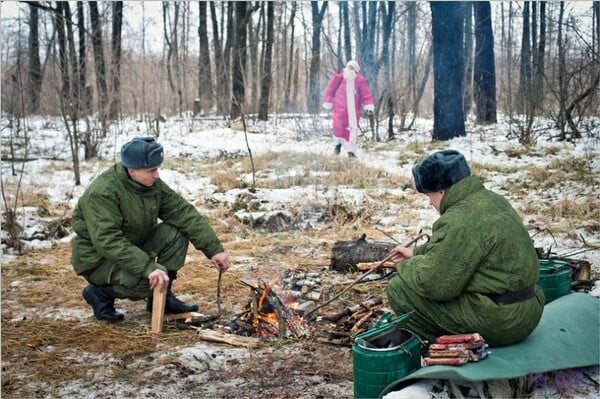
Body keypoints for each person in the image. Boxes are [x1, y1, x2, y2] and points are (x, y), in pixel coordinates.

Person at [386, 149, 544, 347]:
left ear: (442, 190)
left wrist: (406, 265)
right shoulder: (492, 200)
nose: (429, 203)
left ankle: (449, 346)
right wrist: (416, 252)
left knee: (399, 289)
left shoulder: (458, 219)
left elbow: (433, 285)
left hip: (503, 322)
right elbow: (454, 247)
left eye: (429, 196)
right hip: (530, 310)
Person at [71, 136, 230, 321]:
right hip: (99, 259)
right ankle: (99, 293)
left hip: (132, 247)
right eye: (151, 170)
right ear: (132, 170)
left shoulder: (151, 185)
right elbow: (108, 241)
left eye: (157, 169)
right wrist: (148, 268)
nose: (156, 175)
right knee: (147, 283)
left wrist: (214, 250)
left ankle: (163, 298)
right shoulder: (103, 192)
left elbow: (183, 213)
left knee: (176, 233)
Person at [322, 60, 374, 158]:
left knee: (352, 129)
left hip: (353, 112)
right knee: (338, 128)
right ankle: (337, 145)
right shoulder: (339, 77)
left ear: (355, 70)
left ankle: (351, 151)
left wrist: (368, 105)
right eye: (349, 67)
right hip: (339, 109)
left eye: (352, 68)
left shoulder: (359, 80)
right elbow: (330, 89)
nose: (350, 69)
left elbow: (366, 94)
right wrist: (328, 101)